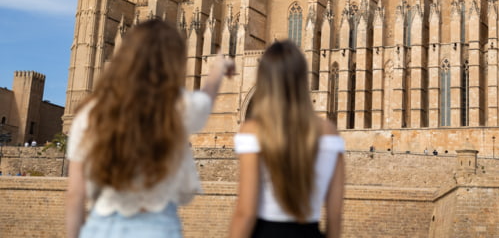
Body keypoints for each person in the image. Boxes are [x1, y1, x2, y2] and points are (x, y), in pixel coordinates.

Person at [65, 19, 234, 238]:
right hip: (159, 228)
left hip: (100, 228)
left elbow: (75, 195)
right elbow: (206, 97)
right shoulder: (176, 106)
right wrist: (219, 68)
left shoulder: (91, 112)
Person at [229, 40, 344, 238]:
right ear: (302, 78)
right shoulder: (329, 132)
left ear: (264, 79)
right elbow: (335, 217)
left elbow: (245, 213)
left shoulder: (252, 130)